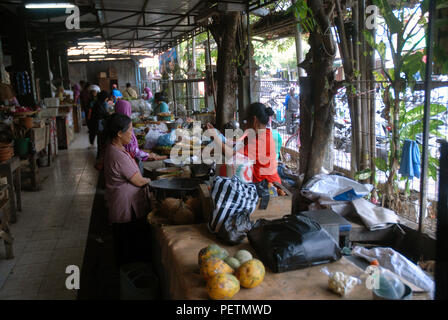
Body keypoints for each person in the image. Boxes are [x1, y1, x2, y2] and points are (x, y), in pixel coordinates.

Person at [103, 113, 152, 267]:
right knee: (129, 249)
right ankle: (129, 276)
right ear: (119, 133)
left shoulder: (115, 148)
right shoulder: (117, 155)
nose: (132, 134)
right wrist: (151, 181)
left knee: (126, 247)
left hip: (123, 205)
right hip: (126, 208)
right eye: (130, 130)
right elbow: (138, 181)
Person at [207, 102, 281, 184]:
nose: (245, 125)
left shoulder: (263, 140)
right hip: (258, 180)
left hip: (268, 185)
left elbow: (235, 156)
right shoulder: (256, 134)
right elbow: (234, 144)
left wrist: (216, 139)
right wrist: (218, 135)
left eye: (246, 121)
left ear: (254, 120)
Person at [115, 99, 150, 171]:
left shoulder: (114, 122)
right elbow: (132, 150)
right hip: (129, 164)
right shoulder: (125, 125)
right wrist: (148, 155)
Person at [92, 91, 110, 167]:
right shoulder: (99, 104)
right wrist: (108, 115)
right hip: (99, 123)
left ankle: (100, 155)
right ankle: (100, 155)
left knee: (101, 139)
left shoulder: (99, 103)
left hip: (99, 123)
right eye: (106, 98)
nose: (107, 99)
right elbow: (101, 114)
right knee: (101, 139)